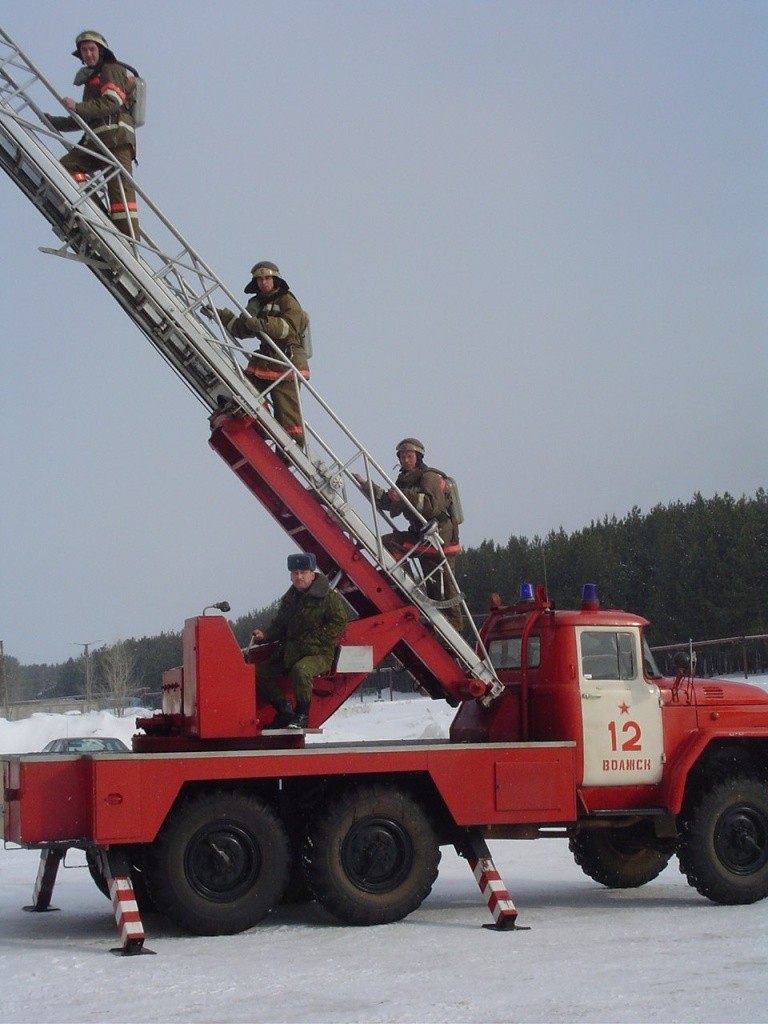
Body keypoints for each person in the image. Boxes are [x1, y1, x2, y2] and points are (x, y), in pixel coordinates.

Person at [353, 438, 463, 632]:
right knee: (389, 543)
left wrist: (405, 497)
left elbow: (431, 507)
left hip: (439, 540)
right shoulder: (405, 479)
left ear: (418, 457)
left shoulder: (430, 477)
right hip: (423, 538)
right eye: (402, 456)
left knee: (444, 592)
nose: (405, 460)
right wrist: (365, 485)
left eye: (409, 456)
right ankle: (407, 586)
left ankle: (454, 632)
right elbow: (389, 503)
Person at [47, 31, 140, 238]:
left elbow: (111, 102)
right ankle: (97, 215)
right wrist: (55, 122)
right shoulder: (92, 78)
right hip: (97, 142)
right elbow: (88, 119)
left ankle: (130, 245)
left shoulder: (110, 69)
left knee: (121, 197)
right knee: (67, 167)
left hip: (116, 141)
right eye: (84, 50)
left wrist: (77, 106)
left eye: (92, 49)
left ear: (101, 51)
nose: (88, 54)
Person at [211, 262, 310, 449]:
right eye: (260, 279)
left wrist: (264, 324)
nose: (264, 282)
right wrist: (221, 315)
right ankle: (259, 427)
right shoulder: (256, 304)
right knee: (244, 387)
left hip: (286, 360)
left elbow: (289, 327)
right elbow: (242, 329)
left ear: (275, 279)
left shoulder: (287, 300)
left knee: (287, 414)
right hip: (266, 361)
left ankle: (291, 451)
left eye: (267, 278)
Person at [250, 553, 347, 729]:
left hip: (319, 654)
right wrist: (264, 635)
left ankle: (302, 715)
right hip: (290, 651)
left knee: (301, 670)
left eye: (303, 572)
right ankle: (284, 709)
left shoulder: (328, 598)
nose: (299, 577)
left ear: (312, 573)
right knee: (259, 673)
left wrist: (314, 640)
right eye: (295, 573)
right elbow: (279, 625)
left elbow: (339, 623)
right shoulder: (290, 599)